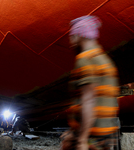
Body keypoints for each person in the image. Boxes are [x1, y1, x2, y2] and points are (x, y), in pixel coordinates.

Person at [60, 16, 119, 150]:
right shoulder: (106, 61)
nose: (70, 41)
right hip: (108, 134)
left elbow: (88, 101)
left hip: (92, 136)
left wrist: (82, 139)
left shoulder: (85, 59)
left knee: (66, 144)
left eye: (72, 36)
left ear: (81, 35)